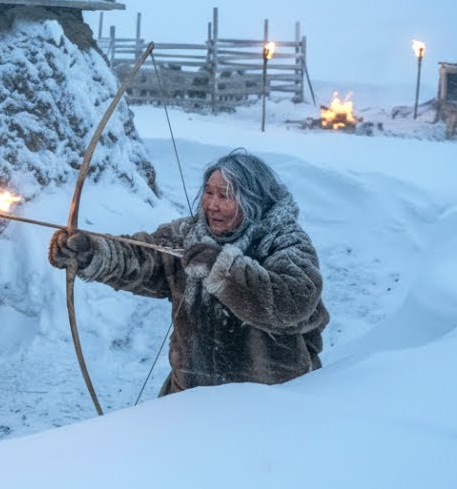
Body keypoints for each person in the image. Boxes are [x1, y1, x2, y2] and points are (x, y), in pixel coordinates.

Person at [48, 150, 329, 396]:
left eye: (225, 195)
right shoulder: (189, 234)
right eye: (208, 192)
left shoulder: (284, 240)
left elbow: (293, 301)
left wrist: (222, 270)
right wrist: (91, 252)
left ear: (253, 200)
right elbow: (141, 257)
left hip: (270, 399)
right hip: (191, 396)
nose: (212, 205)